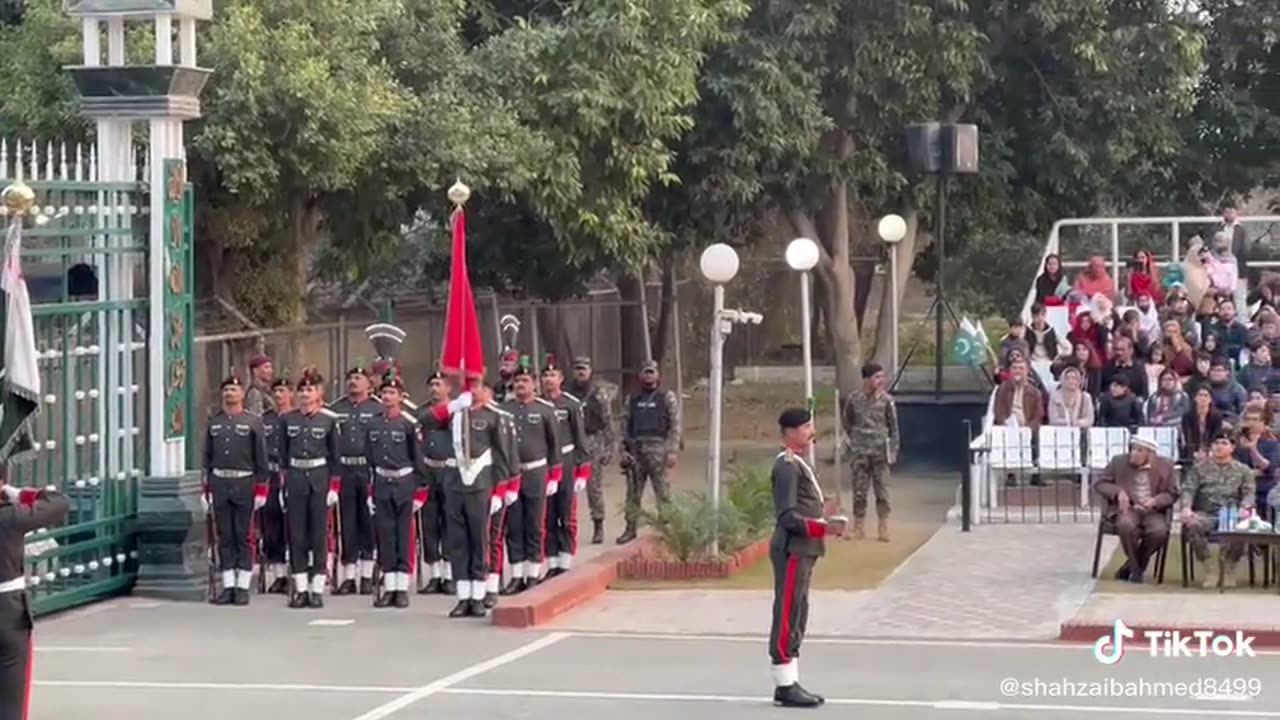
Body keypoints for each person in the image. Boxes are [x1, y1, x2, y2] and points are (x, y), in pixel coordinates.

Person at [768, 407, 847, 708]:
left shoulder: (800, 462)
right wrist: (824, 527)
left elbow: (804, 505)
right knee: (788, 611)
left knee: (799, 610)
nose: (810, 431)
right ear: (790, 432)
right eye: (805, 427)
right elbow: (787, 516)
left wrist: (822, 513)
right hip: (792, 548)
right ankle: (784, 684)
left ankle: (790, 679)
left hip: (804, 550)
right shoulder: (787, 465)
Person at [428, 380, 514, 618]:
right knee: (457, 542)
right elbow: (425, 422)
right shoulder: (454, 415)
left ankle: (478, 595)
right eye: (470, 386)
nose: (473, 391)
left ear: (486, 391)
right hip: (455, 485)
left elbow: (503, 457)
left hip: (480, 484)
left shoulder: (494, 417)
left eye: (478, 386)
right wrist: (453, 406)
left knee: (479, 541)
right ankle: (463, 596)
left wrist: (501, 491)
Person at [0, 483, 70, 720]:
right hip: (6, 613)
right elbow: (59, 502)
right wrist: (17, 493)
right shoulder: (9, 517)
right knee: (10, 703)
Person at [202, 372, 271, 606]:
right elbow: (207, 459)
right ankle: (228, 585)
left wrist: (262, 490)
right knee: (225, 536)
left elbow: (261, 459)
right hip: (221, 483)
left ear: (242, 394)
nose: (230, 394)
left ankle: (243, 586)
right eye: (226, 390)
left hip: (244, 483)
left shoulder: (253, 422)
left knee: (243, 535)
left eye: (234, 390)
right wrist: (206, 490)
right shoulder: (215, 422)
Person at [366, 371, 429, 609]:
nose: (387, 397)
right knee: (386, 535)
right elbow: (370, 460)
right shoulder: (373, 424)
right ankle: (389, 586)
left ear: (401, 397)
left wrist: (420, 492)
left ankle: (401, 587)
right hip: (382, 483)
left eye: (392, 393)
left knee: (403, 535)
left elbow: (418, 460)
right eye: (384, 392)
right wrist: (371, 491)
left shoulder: (410, 424)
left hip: (404, 483)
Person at [279, 368, 341, 609]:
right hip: (295, 478)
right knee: (297, 535)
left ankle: (317, 588)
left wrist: (334, 487)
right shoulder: (288, 419)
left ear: (319, 393)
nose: (306, 394)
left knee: (318, 535)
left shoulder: (329, 420)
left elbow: (336, 457)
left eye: (310, 389)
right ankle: (301, 587)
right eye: (302, 389)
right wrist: (282, 487)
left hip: (319, 478)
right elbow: (283, 457)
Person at [501, 360, 561, 593]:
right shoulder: (504, 410)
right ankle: (517, 574)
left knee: (534, 525)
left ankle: (533, 574)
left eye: (525, 380)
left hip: (537, 472)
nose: (520, 385)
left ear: (534, 383)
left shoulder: (545, 411)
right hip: (513, 475)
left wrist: (555, 476)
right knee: (514, 526)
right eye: (517, 381)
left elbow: (554, 445)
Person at [328, 365, 383, 595]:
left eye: (358, 378)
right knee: (347, 523)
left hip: (367, 470)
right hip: (345, 470)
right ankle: (349, 576)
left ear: (369, 383)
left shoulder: (377, 408)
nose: (353, 382)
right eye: (350, 377)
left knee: (368, 524)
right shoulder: (334, 409)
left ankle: (367, 575)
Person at [1093, 437, 1176, 583]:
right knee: (1125, 525)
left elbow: (1172, 493)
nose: (1133, 453)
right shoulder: (1118, 462)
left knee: (1159, 531)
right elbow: (1100, 483)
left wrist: (1156, 501)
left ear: (1150, 454)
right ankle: (1136, 570)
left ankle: (1132, 566)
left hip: (1153, 511)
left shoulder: (1166, 465)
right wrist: (1118, 492)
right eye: (1132, 449)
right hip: (1128, 509)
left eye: (1139, 450)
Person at [1180, 431, 1255, 589]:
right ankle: (1210, 569)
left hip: (1232, 514)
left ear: (1232, 448)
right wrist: (1186, 507)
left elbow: (1249, 493)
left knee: (1243, 527)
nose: (1219, 447)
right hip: (1205, 514)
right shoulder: (1199, 468)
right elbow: (1188, 489)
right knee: (1193, 525)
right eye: (1216, 443)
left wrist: (1244, 508)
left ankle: (1229, 569)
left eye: (1224, 443)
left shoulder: (1243, 470)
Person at [618, 360, 681, 544]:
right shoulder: (633, 398)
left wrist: (672, 450)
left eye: (652, 372)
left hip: (658, 450)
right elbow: (624, 424)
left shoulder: (666, 397)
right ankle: (630, 529)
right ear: (640, 375)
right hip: (636, 451)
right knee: (632, 494)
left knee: (663, 492)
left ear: (658, 375)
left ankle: (666, 530)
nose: (648, 375)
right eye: (645, 372)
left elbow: (675, 425)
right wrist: (623, 450)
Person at [541, 356, 590, 575]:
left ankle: (566, 562)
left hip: (567, 463)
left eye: (552, 375)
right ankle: (552, 563)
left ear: (561, 379)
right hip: (545, 466)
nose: (548, 379)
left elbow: (581, 439)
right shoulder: (538, 405)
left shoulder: (570, 404)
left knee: (566, 514)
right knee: (548, 516)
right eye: (545, 375)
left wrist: (582, 472)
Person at [841, 363, 899, 541]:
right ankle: (858, 527)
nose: (881, 381)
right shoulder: (854, 399)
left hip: (880, 452)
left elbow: (894, 428)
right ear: (866, 379)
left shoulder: (887, 401)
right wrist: (856, 439)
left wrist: (893, 450)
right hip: (859, 453)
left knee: (881, 491)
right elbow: (847, 422)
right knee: (859, 491)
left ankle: (883, 528)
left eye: (882, 376)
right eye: (877, 377)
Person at [567, 356, 614, 544]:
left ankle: (598, 525)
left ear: (590, 371)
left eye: (584, 368)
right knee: (567, 488)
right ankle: (567, 526)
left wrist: (609, 449)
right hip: (570, 443)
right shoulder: (566, 393)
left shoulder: (598, 394)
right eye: (577, 368)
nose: (580, 372)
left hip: (592, 441)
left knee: (593, 487)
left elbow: (607, 422)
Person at [416, 371, 454, 595]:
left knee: (450, 523)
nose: (434, 389)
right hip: (427, 471)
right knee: (429, 525)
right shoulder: (421, 413)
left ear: (448, 388)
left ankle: (449, 574)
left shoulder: (457, 411)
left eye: (439, 384)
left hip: (449, 470)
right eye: (431, 384)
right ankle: (434, 574)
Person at [260, 376, 294, 594]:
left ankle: (298, 570)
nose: (279, 396)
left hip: (293, 476)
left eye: (283, 391)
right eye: (276, 392)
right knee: (272, 527)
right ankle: (279, 574)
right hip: (271, 476)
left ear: (291, 393)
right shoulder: (265, 419)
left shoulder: (297, 418)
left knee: (294, 526)